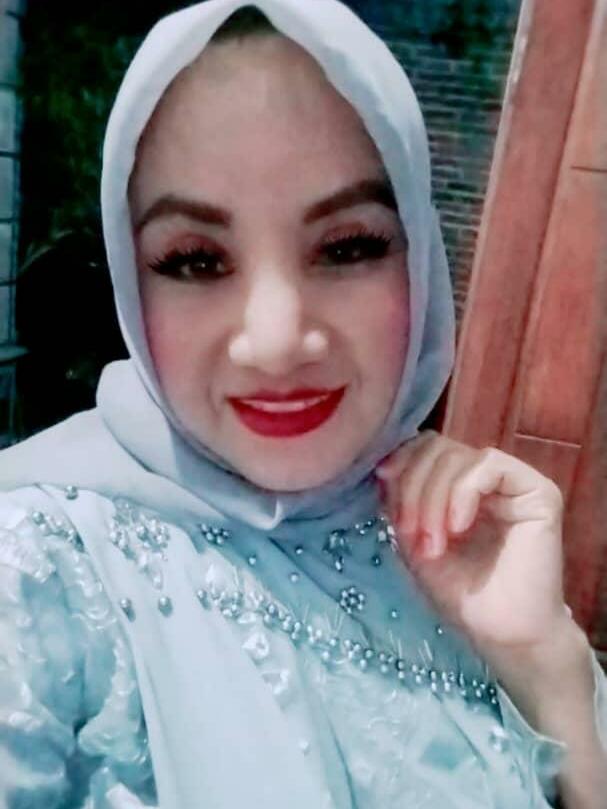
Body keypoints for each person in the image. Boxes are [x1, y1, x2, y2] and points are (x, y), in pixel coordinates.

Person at [0, 1, 605, 807]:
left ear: (419, 263)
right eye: (194, 260)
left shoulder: (458, 545)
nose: (277, 341)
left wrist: (547, 663)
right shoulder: (37, 569)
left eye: (348, 246)